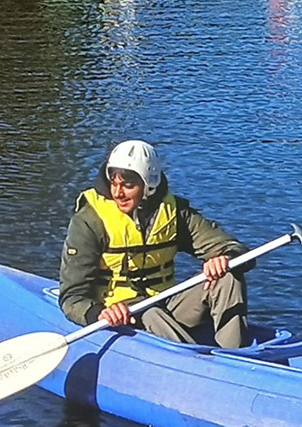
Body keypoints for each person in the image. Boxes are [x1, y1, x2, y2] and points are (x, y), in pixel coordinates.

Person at [58, 140, 251, 348]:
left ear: (148, 183)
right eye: (114, 183)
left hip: (169, 303)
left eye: (128, 185)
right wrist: (98, 313)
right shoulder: (90, 220)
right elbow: (72, 296)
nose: (118, 193)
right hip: (123, 311)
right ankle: (196, 364)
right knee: (150, 313)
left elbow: (234, 249)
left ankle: (235, 356)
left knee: (228, 276)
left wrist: (225, 258)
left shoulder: (175, 212)